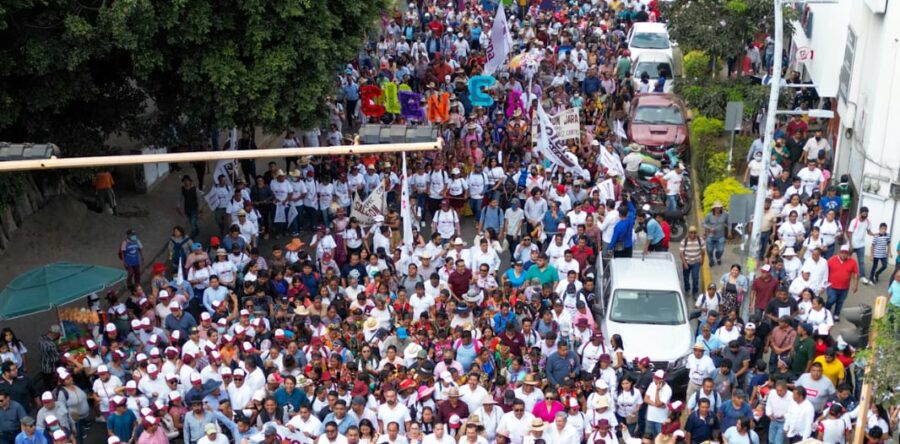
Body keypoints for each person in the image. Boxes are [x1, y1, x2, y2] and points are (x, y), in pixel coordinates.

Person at [825, 245, 859, 320]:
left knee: (840, 301)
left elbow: (855, 274)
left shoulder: (852, 262)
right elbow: (825, 270)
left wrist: (855, 285)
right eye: (842, 252)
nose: (844, 254)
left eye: (846, 253)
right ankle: (825, 312)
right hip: (832, 286)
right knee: (831, 300)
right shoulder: (832, 260)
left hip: (844, 287)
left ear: (848, 254)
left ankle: (836, 314)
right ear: (839, 252)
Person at [680, 227, 706, 297]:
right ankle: (687, 289)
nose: (693, 234)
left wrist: (702, 259)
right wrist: (685, 263)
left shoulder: (700, 240)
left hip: (696, 262)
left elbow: (703, 251)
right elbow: (681, 253)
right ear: (688, 233)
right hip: (687, 262)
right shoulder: (684, 241)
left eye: (694, 233)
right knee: (686, 277)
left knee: (695, 277)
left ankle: (695, 292)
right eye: (691, 233)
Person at [703, 202, 730, 267]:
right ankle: (711, 260)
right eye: (716, 208)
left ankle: (718, 257)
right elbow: (704, 223)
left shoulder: (725, 214)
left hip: (720, 236)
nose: (718, 209)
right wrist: (709, 228)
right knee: (709, 250)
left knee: (721, 250)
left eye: (719, 208)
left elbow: (729, 222)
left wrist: (729, 231)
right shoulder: (709, 215)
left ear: (721, 208)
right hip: (710, 236)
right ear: (714, 208)